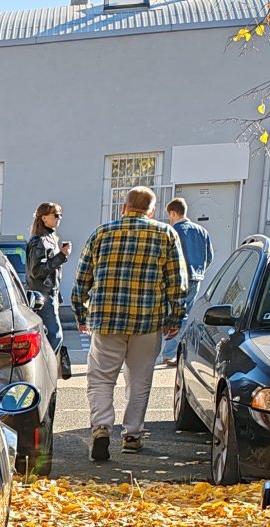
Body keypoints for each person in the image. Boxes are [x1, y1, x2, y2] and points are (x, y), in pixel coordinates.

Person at [70, 185, 188, 461]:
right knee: (140, 378)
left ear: (123, 207)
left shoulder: (101, 233)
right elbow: (177, 281)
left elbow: (82, 279)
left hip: (107, 318)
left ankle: (101, 426)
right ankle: (132, 434)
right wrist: (175, 317)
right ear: (152, 210)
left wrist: (80, 313)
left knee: (100, 377)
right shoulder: (165, 234)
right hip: (147, 320)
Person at [26, 202, 73, 380]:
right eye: (55, 215)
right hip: (42, 295)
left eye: (60, 215)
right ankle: (43, 371)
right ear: (44, 217)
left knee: (47, 335)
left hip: (48, 294)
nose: (58, 218)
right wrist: (62, 256)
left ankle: (43, 372)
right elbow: (36, 271)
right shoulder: (39, 240)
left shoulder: (49, 238)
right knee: (55, 334)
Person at [164, 198, 214, 364]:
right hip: (195, 278)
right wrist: (200, 271)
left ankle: (170, 352)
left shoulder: (174, 231)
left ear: (173, 213)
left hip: (177, 278)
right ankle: (176, 350)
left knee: (175, 314)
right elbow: (210, 257)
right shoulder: (202, 231)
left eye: (169, 215)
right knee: (185, 314)